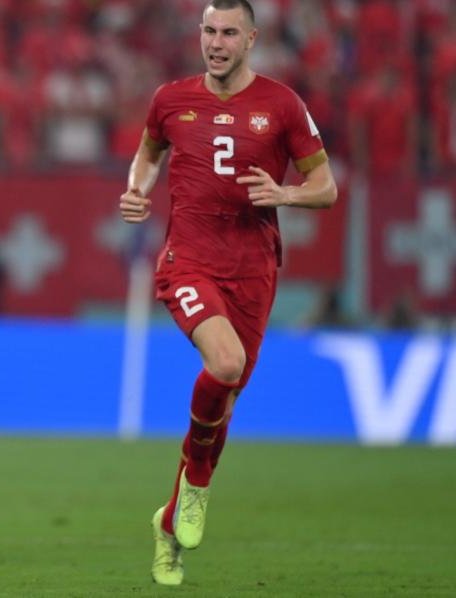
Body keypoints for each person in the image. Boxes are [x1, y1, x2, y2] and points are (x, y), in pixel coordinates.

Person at [118, 0, 337, 586]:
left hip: (254, 269)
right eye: (209, 31)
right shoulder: (170, 99)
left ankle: (169, 523)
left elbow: (326, 187)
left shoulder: (282, 104)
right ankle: (197, 484)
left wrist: (284, 195)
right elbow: (147, 155)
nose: (215, 42)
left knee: (227, 399)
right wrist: (136, 191)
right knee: (226, 361)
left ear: (251, 40)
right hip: (187, 260)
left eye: (228, 33)